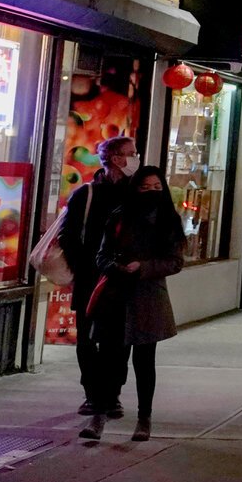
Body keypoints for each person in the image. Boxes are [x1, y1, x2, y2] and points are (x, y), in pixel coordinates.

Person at [82, 166, 183, 441]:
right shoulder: (118, 216)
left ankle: (144, 419)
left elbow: (175, 262)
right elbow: (100, 256)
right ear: (135, 189)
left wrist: (144, 267)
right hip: (116, 297)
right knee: (109, 361)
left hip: (148, 298)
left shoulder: (169, 220)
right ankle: (98, 418)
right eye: (144, 187)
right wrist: (116, 267)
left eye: (156, 187)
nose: (151, 192)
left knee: (144, 361)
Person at [60, 135, 137, 420]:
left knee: (119, 341)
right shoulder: (86, 193)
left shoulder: (136, 193)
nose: (135, 157)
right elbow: (67, 236)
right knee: (88, 340)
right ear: (116, 159)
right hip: (91, 280)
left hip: (124, 281)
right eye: (131, 153)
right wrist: (85, 267)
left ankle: (112, 395)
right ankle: (92, 395)